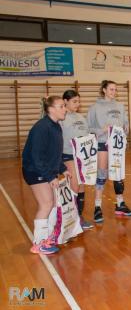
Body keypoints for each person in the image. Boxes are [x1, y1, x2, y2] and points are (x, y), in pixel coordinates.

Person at [22, 96, 70, 254]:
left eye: (64, 106)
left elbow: (54, 153)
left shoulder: (56, 126)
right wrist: (49, 176)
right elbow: (37, 156)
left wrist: (62, 168)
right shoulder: (42, 127)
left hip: (45, 169)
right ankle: (38, 243)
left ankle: (48, 238)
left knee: (55, 202)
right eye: (62, 106)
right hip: (35, 171)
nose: (65, 109)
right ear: (51, 109)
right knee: (46, 204)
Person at [87, 80, 131, 223]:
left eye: (115, 89)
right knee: (102, 174)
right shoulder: (94, 108)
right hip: (103, 143)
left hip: (117, 145)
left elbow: (125, 121)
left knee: (118, 175)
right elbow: (88, 128)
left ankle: (120, 204)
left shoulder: (120, 105)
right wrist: (102, 130)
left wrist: (126, 126)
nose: (114, 92)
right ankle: (97, 206)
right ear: (104, 90)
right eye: (111, 89)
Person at [61, 90, 94, 230]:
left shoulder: (81, 117)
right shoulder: (62, 118)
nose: (78, 104)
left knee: (81, 186)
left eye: (78, 101)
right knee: (74, 184)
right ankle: (69, 218)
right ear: (65, 101)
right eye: (74, 101)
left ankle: (78, 217)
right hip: (67, 155)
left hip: (82, 157)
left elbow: (87, 135)